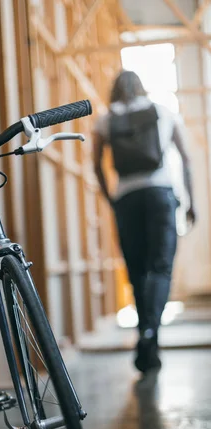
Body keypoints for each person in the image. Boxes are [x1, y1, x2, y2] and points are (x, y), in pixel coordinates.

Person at [93, 70, 196, 374]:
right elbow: (186, 159)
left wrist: (111, 199)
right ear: (141, 87)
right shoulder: (162, 111)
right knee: (161, 267)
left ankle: (145, 335)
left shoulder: (105, 119)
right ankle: (151, 332)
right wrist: (191, 203)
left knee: (137, 271)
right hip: (160, 195)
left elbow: (95, 164)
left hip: (127, 199)